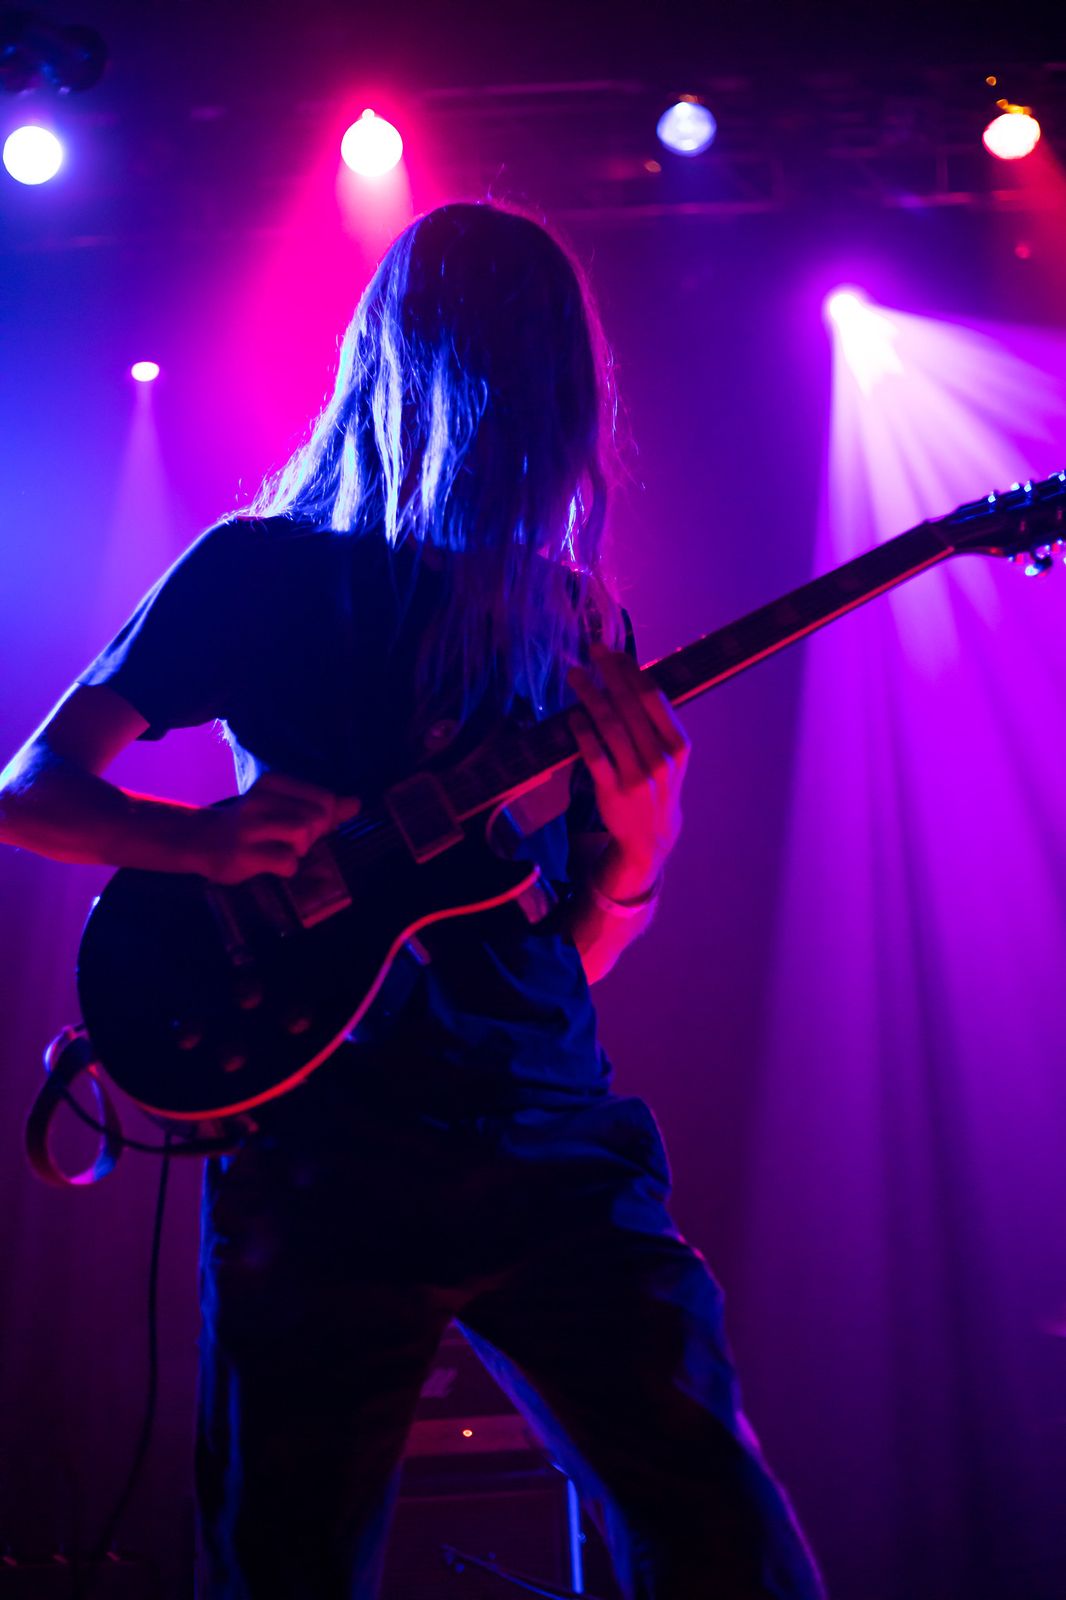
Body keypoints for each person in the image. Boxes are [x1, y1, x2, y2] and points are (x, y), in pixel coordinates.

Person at [0, 202, 823, 1599]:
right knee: (288, 1572)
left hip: (549, 1140)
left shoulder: (570, 616)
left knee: (728, 1547)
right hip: (324, 1150)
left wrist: (640, 842)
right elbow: (32, 791)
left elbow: (572, 953)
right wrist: (201, 842)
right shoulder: (260, 571)